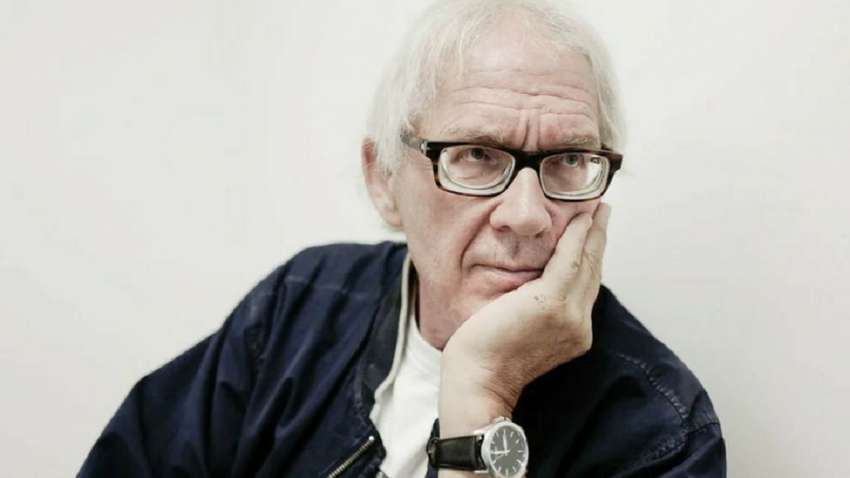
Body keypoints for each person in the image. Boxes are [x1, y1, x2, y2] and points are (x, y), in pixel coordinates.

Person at [79, 0, 725, 477]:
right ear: (384, 179)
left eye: (568, 160)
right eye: (476, 155)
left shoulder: (661, 431)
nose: (528, 215)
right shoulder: (299, 308)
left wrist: (483, 389)